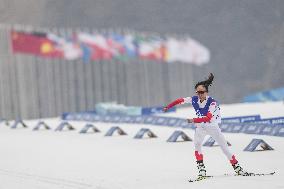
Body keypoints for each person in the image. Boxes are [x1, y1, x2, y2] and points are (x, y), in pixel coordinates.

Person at [163, 73, 247, 178]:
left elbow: (207, 118)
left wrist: (193, 120)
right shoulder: (194, 99)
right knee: (197, 145)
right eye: (197, 92)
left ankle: (237, 168)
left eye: (202, 92)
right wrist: (168, 106)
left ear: (206, 92)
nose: (199, 94)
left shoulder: (212, 103)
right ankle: (201, 170)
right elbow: (180, 100)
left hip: (212, 126)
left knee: (224, 148)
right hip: (201, 127)